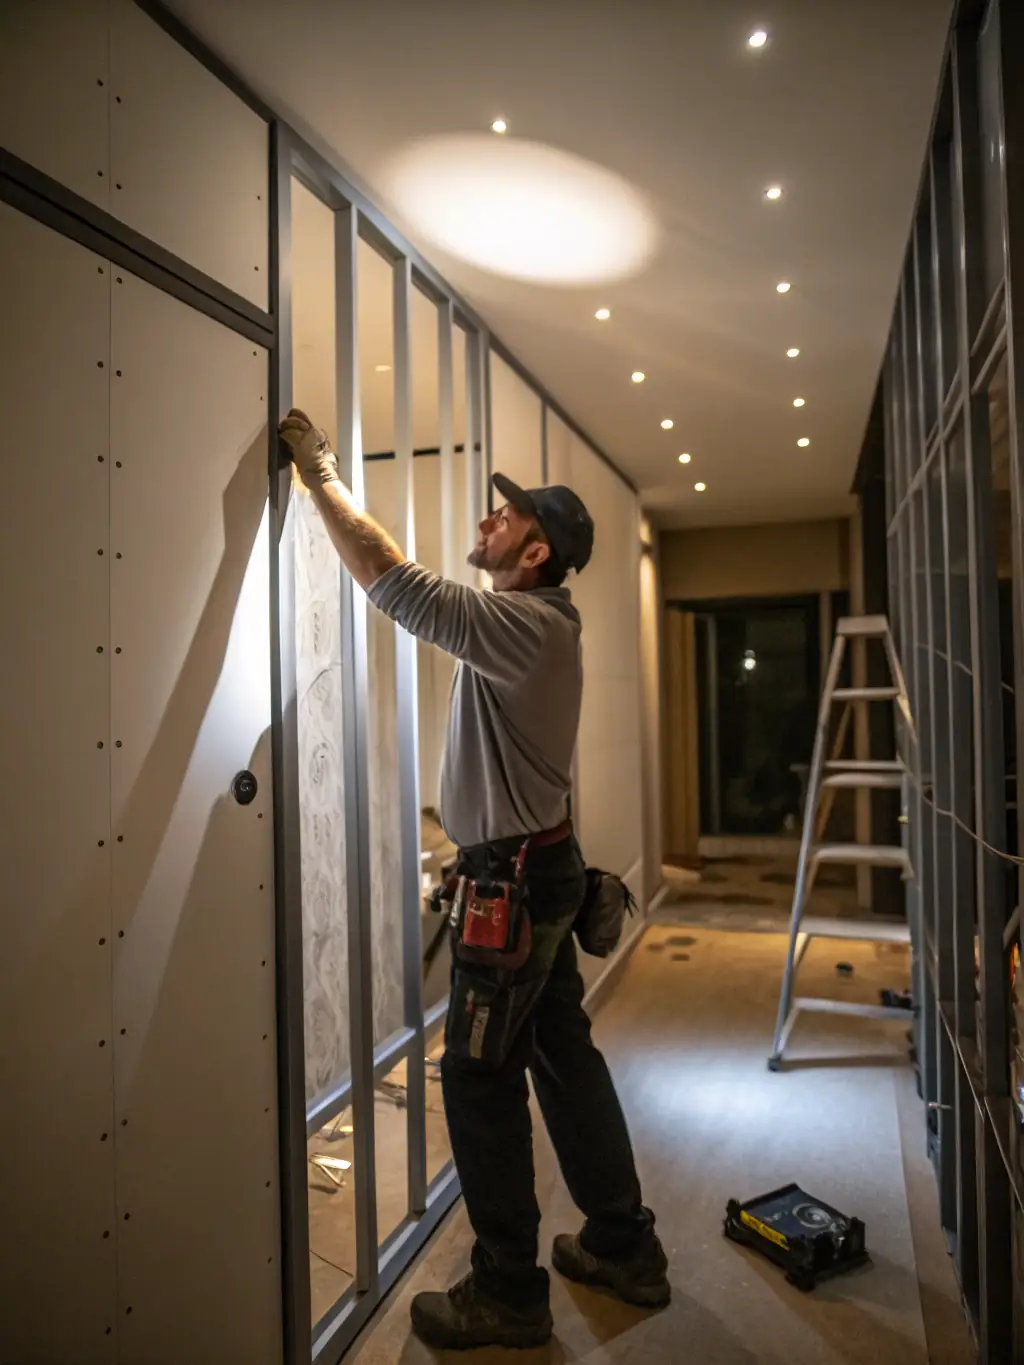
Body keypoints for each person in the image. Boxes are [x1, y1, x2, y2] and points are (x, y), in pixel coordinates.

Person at [279, 408, 669, 1351]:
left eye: (505, 518)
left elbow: (393, 582)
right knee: (564, 1059)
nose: (487, 521)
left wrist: (321, 477)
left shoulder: (525, 625)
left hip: (516, 887)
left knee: (474, 1075)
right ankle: (623, 1243)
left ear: (534, 551)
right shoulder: (536, 625)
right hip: (539, 874)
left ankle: (507, 1292)